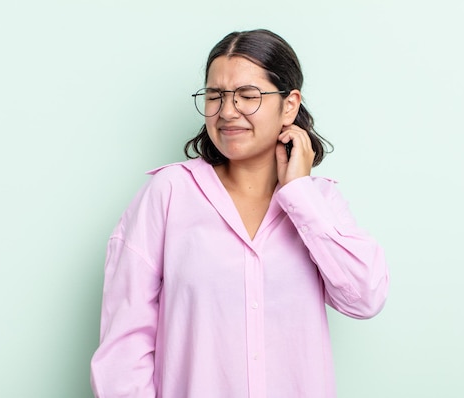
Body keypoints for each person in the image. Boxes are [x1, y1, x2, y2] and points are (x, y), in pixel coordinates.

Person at [90, 29, 389, 398]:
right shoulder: (167, 194)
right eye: (215, 96)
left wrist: (299, 194)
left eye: (248, 96)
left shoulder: (322, 202)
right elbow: (124, 346)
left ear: (290, 105)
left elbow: (365, 298)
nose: (227, 111)